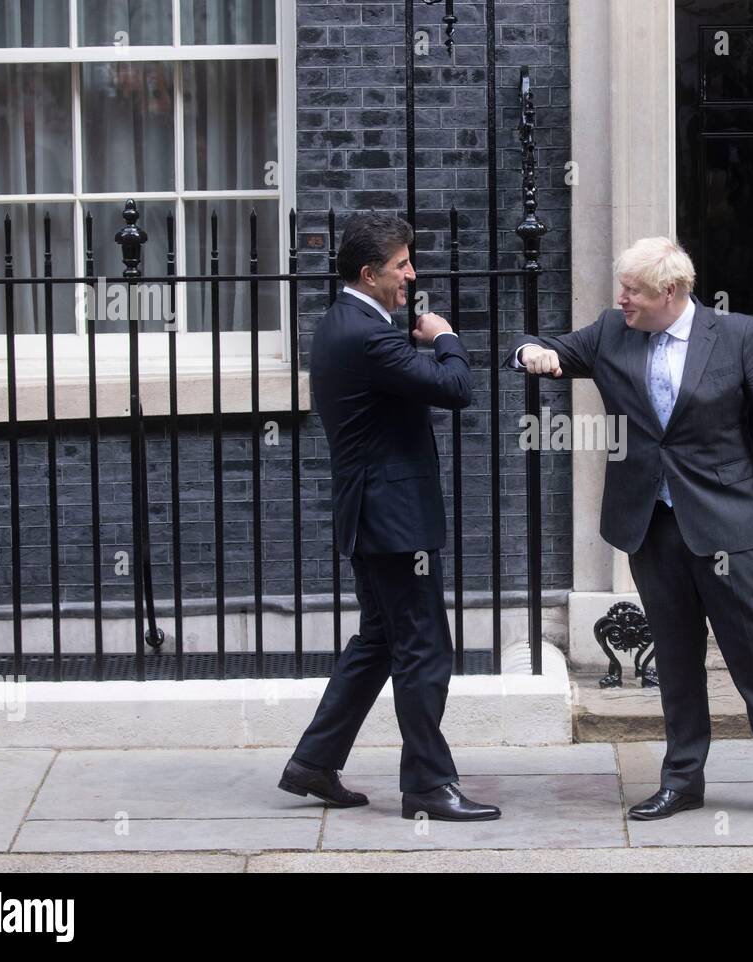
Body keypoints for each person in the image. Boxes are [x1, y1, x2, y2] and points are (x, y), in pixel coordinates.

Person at [507, 237, 753, 825]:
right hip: (654, 525)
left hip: (728, 524)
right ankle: (682, 781)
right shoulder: (611, 331)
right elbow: (540, 347)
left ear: (668, 292)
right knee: (673, 659)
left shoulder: (738, 336)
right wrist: (531, 355)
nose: (621, 298)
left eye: (632, 290)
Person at [279, 212, 500, 822]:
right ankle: (429, 787)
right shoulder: (369, 336)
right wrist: (445, 337)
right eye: (402, 265)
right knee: (425, 649)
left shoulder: (342, 325)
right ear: (369, 272)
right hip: (395, 521)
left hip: (370, 515)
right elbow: (454, 390)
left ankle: (314, 761)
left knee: (379, 639)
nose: (412, 274)